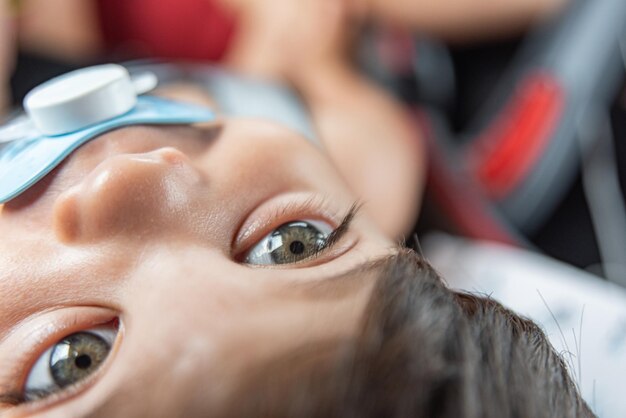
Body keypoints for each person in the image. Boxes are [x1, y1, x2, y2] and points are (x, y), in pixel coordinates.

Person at [0, 1, 592, 416]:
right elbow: (323, 64)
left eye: (70, 360)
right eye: (292, 243)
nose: (127, 177)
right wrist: (285, 57)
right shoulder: (369, 173)